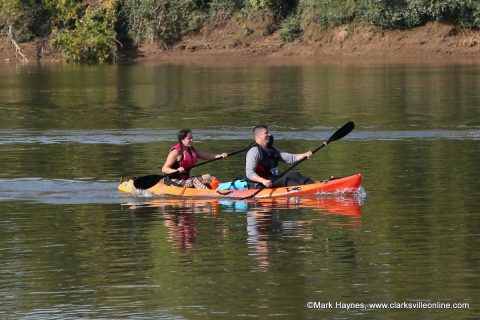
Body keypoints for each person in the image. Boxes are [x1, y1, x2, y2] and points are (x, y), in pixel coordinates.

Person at [245, 125, 314, 188]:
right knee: (286, 180)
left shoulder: (272, 149)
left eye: (269, 132)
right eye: (266, 133)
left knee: (294, 174)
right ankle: (307, 190)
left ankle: (314, 186)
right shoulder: (254, 151)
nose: (269, 135)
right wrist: (263, 180)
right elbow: (249, 173)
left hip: (273, 178)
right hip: (261, 183)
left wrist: (305, 155)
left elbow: (291, 158)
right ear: (258, 136)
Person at [162, 129, 227, 189]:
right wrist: (176, 170)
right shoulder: (176, 152)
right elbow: (164, 169)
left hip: (186, 179)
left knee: (209, 177)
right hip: (173, 181)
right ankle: (207, 193)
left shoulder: (191, 149)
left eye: (192, 137)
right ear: (182, 140)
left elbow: (207, 156)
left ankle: (222, 188)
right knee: (194, 181)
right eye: (189, 138)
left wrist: (220, 156)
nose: (192, 140)